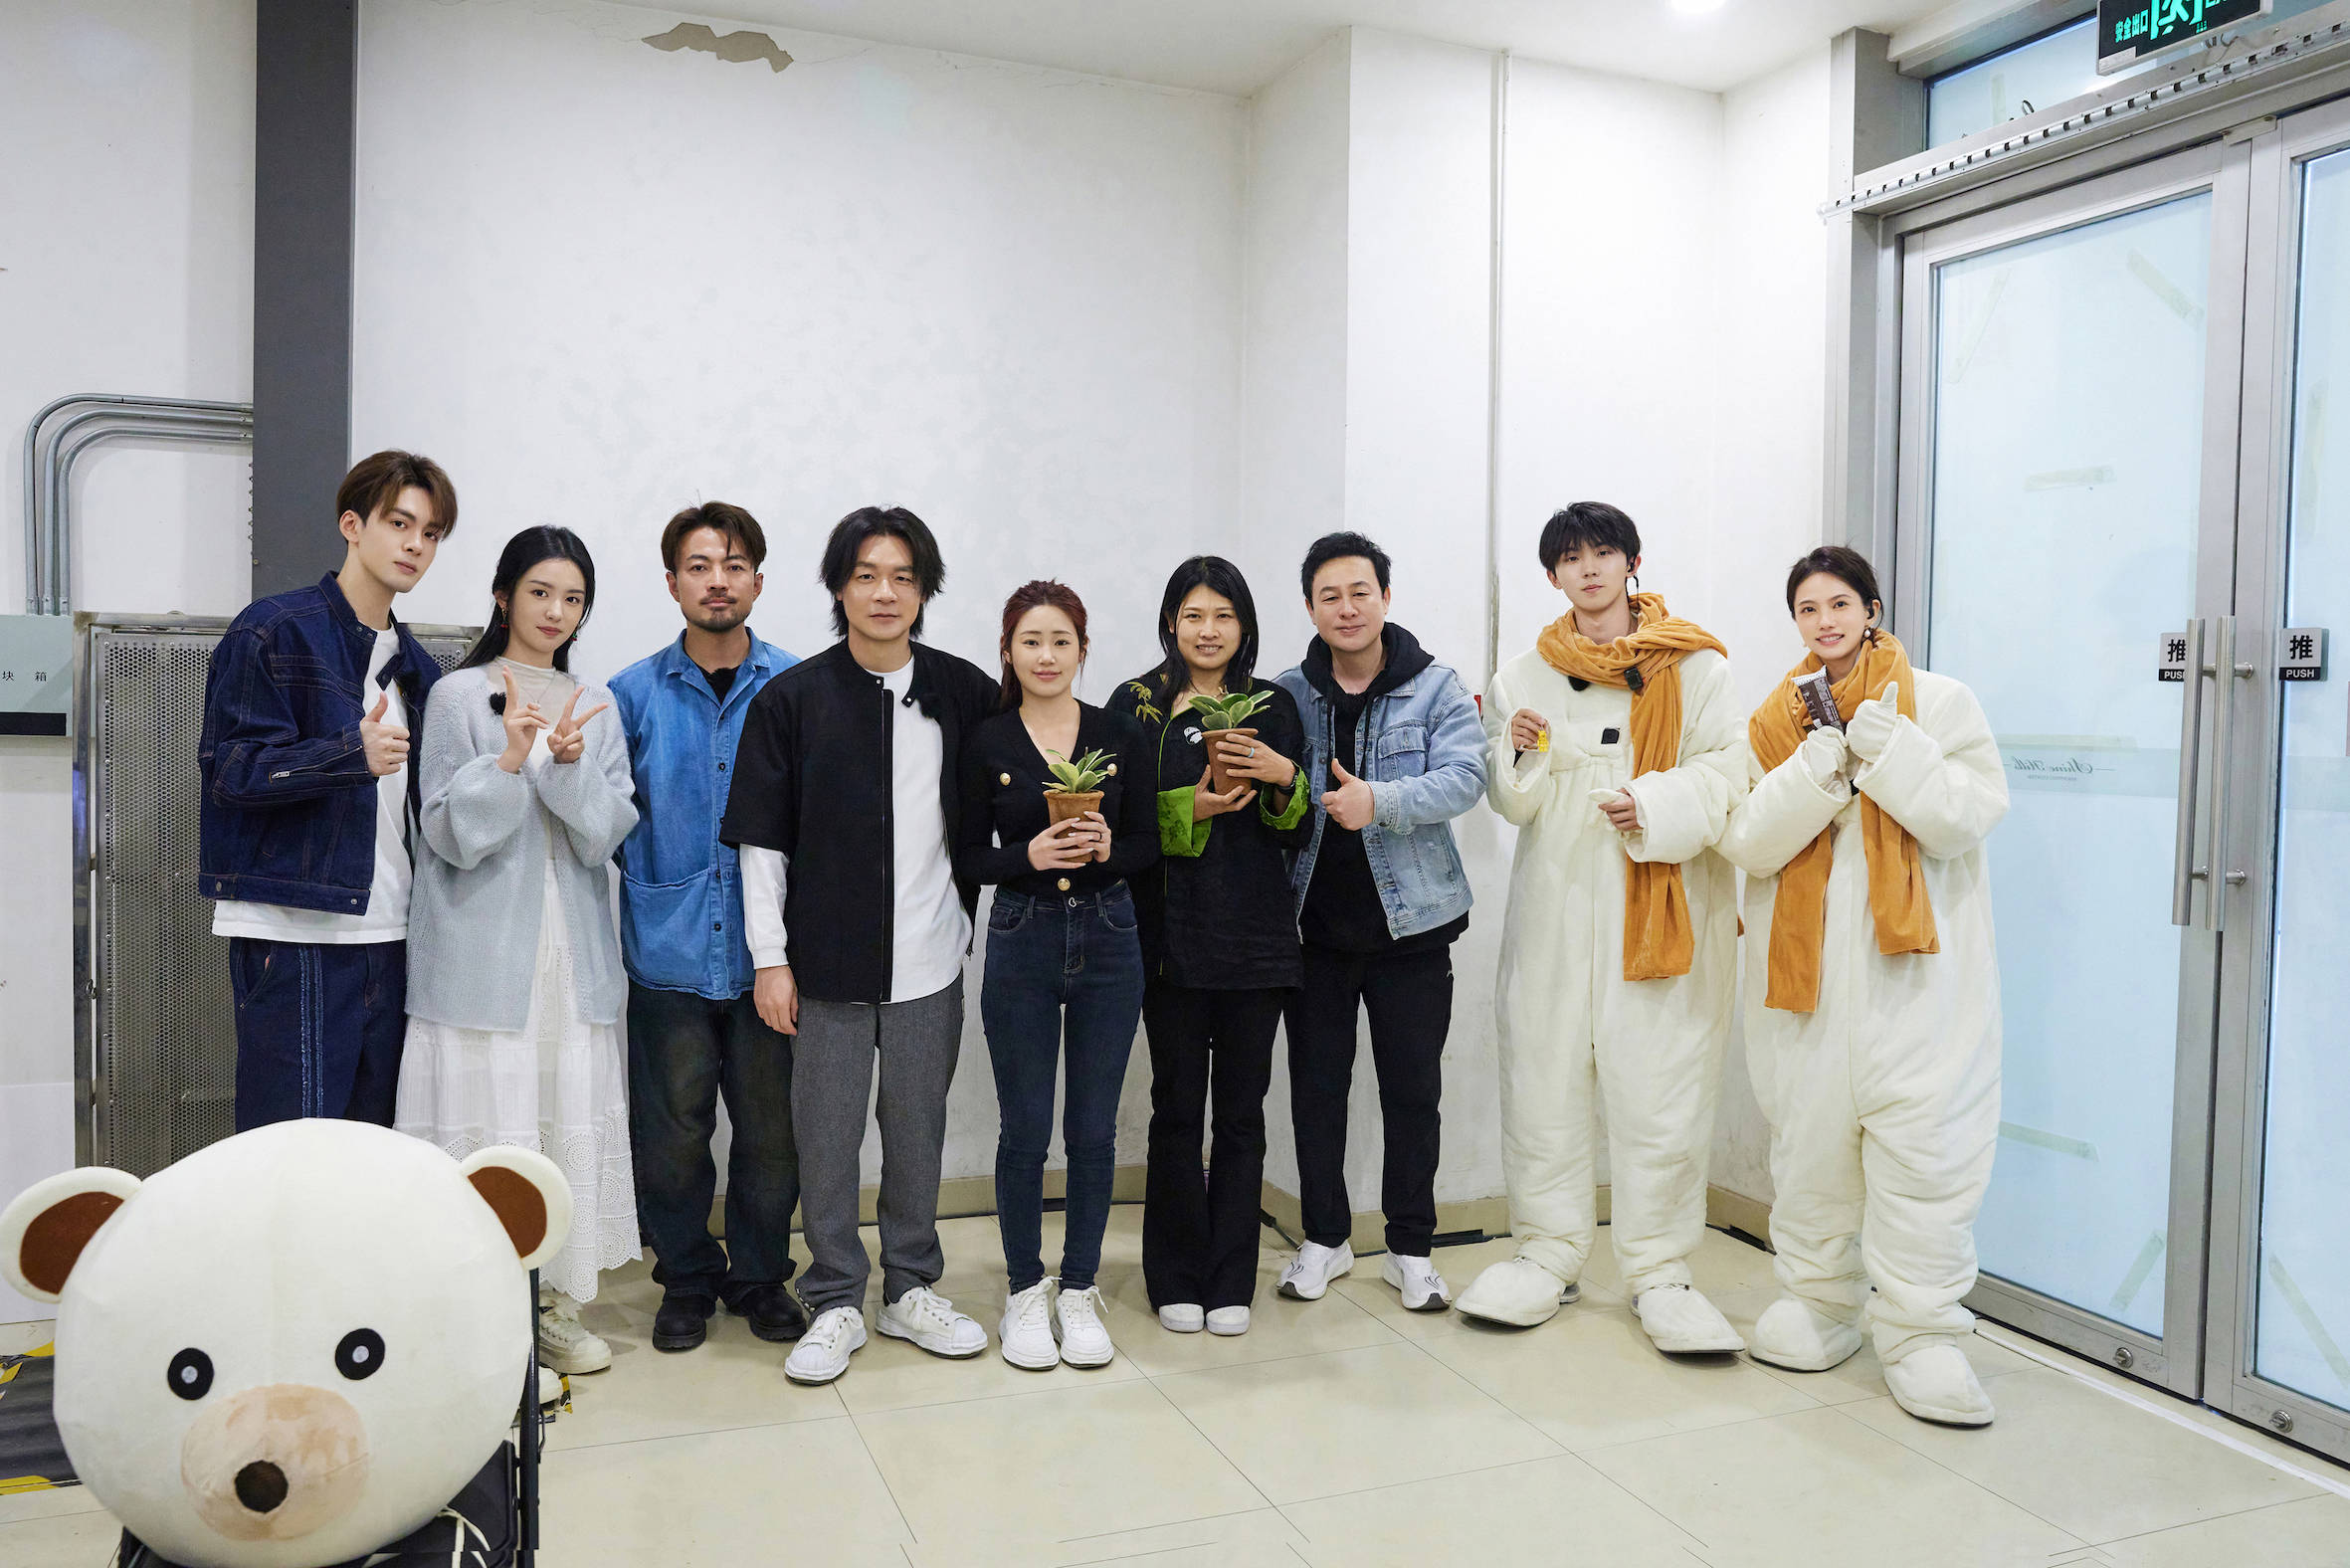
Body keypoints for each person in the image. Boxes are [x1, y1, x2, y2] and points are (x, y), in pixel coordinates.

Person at [1718, 545, 2009, 1427]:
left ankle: (1922, 1333)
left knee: (1927, 1157)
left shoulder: (1940, 702)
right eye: (1808, 608)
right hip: (1805, 993)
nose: (1825, 621)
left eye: (1840, 603)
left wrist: (1891, 750)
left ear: (1872, 609)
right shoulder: (1772, 723)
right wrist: (1816, 771)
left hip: (1916, 984)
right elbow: (1746, 841)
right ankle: (1820, 1300)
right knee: (1809, 1152)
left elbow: (1968, 816)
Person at [1456, 503, 1746, 1354]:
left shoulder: (1694, 667)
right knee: (1542, 1078)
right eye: (1572, 558)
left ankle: (1660, 1271)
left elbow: (1730, 770)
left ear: (1632, 563)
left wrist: (1652, 802)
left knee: (1662, 1090)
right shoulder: (1523, 675)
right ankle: (1545, 1252)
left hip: (1656, 900)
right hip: (1554, 905)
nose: (1589, 569)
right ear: (1553, 575)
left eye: (1604, 553)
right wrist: (1516, 752)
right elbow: (1512, 803)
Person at [720, 506, 1000, 1387]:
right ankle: (836, 1294)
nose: (885, 593)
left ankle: (911, 1287)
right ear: (840, 587)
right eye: (867, 575)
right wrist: (771, 959)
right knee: (827, 1139)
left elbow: (1008, 796)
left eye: (904, 577)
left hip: (930, 963)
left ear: (924, 591)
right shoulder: (793, 699)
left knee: (918, 1133)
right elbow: (761, 844)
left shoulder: (963, 692)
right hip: (824, 969)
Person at [397, 526, 642, 1378]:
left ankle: (554, 1308)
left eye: (572, 598)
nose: (555, 611)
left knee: (554, 1121)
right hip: (478, 951)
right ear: (503, 596)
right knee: (489, 1129)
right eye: (540, 592)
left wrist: (569, 769)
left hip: (570, 954)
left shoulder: (594, 701)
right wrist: (509, 760)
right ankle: (476, 1317)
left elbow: (606, 835)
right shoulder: (458, 696)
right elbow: (446, 834)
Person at [200, 450, 458, 1131]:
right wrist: (348, 754)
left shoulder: (419, 669)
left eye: (431, 533)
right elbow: (231, 771)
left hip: (393, 933)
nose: (415, 544)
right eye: (399, 523)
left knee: (374, 1153)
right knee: (294, 1150)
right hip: (297, 933)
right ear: (352, 524)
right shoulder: (274, 630)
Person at [1273, 532, 1486, 1312]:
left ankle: (1411, 1249)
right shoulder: (1287, 694)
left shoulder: (1435, 687)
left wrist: (1380, 802)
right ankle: (1325, 1239)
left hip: (1414, 931)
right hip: (1312, 934)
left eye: (1360, 592)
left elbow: (1467, 777)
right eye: (1329, 596)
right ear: (1310, 608)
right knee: (1316, 1093)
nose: (1347, 608)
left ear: (1386, 598)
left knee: (1413, 1094)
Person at [610, 502, 804, 1354]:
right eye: (698, 566)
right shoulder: (629, 695)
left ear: (758, 580)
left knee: (771, 1135)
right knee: (672, 1139)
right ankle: (685, 1279)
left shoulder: (797, 687)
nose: (717, 582)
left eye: (733, 566)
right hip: (668, 955)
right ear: (672, 583)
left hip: (772, 960)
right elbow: (605, 822)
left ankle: (760, 1277)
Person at [956, 581, 1157, 1369]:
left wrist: (1110, 847)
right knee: (1025, 1128)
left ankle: (1078, 1288)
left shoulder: (1119, 733)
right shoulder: (986, 740)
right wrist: (1027, 855)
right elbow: (966, 856)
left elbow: (1148, 844)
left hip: (1111, 933)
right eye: (1031, 641)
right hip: (1022, 932)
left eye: (1061, 641)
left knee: (1094, 1129)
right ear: (1008, 651)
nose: (1046, 655)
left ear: (1082, 650)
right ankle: (1023, 1291)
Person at [1109, 557, 1310, 1336]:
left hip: (1257, 940)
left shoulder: (1274, 704)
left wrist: (1283, 776)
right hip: (1169, 942)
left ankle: (1231, 1278)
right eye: (1193, 615)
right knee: (1175, 1112)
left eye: (1223, 615)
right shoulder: (1136, 705)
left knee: (1242, 1116)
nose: (1208, 630)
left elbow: (1296, 828)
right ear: (1171, 623)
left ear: (1244, 626)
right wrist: (1185, 809)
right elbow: (1118, 821)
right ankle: (1174, 1275)